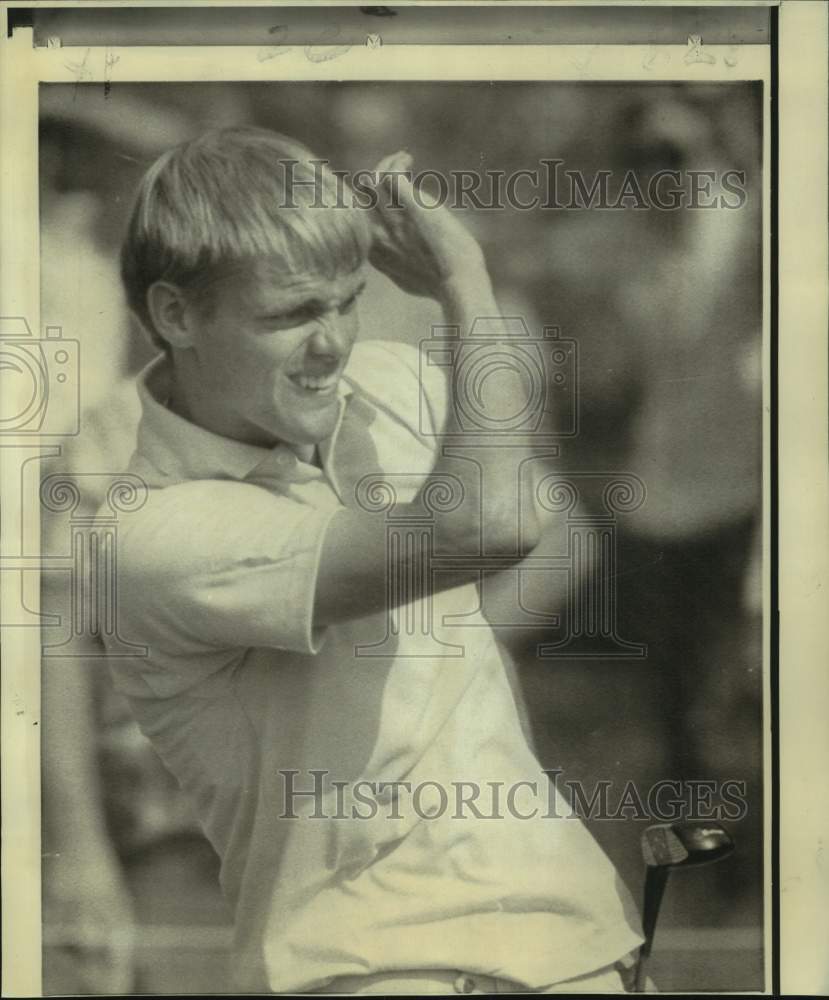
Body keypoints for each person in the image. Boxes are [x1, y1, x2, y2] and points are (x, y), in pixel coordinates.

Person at [103, 125, 644, 994]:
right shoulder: (150, 535)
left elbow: (546, 516)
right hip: (379, 969)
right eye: (290, 314)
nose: (333, 344)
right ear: (174, 314)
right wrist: (465, 285)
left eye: (345, 302)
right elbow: (485, 526)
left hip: (575, 944)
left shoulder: (393, 384)